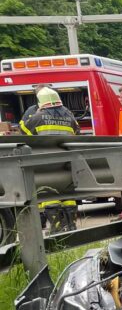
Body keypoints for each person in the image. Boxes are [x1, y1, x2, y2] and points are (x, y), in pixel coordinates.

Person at [22, 88, 80, 231]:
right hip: (67, 164)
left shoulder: (37, 117)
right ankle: (71, 226)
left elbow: (23, 131)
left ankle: (57, 228)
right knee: (68, 194)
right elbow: (77, 133)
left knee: (49, 193)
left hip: (46, 164)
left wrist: (36, 113)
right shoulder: (70, 116)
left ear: (41, 102)